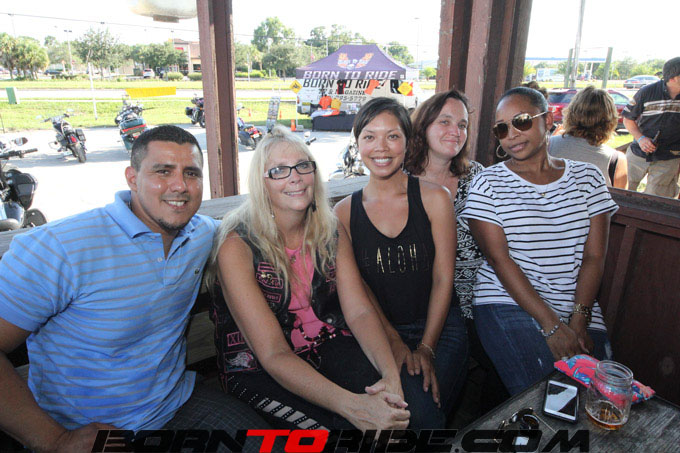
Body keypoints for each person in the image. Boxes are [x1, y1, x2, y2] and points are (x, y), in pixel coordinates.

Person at [0, 125, 270, 453]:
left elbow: (262, 229)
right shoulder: (59, 248)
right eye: (163, 171)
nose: (180, 185)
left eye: (191, 173)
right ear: (132, 178)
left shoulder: (201, 234)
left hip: (176, 404)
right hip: (82, 431)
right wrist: (53, 439)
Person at [209, 126, 409, 430]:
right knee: (336, 434)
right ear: (261, 184)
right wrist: (353, 406)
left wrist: (390, 376)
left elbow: (359, 311)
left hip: (327, 343)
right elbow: (273, 354)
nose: (295, 177)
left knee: (401, 410)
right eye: (279, 170)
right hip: (258, 367)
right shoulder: (237, 246)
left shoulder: (329, 228)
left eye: (303, 165)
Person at [460, 87, 618, 396]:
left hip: (578, 305)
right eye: (502, 128)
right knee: (549, 395)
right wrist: (552, 325)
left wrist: (578, 319)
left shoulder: (588, 178)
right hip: (508, 300)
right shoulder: (488, 183)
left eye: (521, 121)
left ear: (547, 120)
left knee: (601, 394)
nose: (512, 134)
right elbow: (498, 259)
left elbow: (594, 257)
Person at [335, 97, 466, 428]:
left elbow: (443, 278)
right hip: (380, 331)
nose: (381, 147)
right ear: (358, 144)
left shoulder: (435, 199)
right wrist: (392, 340)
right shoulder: (344, 214)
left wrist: (427, 348)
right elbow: (359, 289)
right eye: (369, 136)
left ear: (408, 142)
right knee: (407, 412)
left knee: (424, 415)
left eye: (392, 136)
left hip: (439, 326)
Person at [405, 88, 508, 414]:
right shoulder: (399, 178)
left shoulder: (476, 176)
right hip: (426, 302)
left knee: (505, 363)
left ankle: (492, 426)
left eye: (462, 124)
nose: (456, 131)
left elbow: (500, 244)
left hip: (479, 298)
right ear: (423, 126)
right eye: (445, 121)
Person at [550, 86, 628, 189]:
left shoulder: (545, 145)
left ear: (570, 113)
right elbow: (620, 197)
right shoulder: (616, 160)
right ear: (610, 119)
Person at [622, 57, 680, 198]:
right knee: (623, 193)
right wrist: (641, 138)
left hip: (669, 156)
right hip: (638, 152)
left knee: (655, 199)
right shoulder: (647, 92)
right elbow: (628, 119)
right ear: (674, 78)